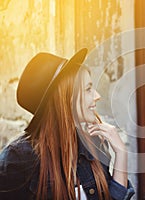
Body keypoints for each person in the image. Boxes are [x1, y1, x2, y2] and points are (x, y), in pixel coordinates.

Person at [0, 48, 135, 199]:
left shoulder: (94, 142)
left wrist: (121, 154)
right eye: (88, 89)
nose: (97, 96)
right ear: (65, 99)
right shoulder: (18, 158)